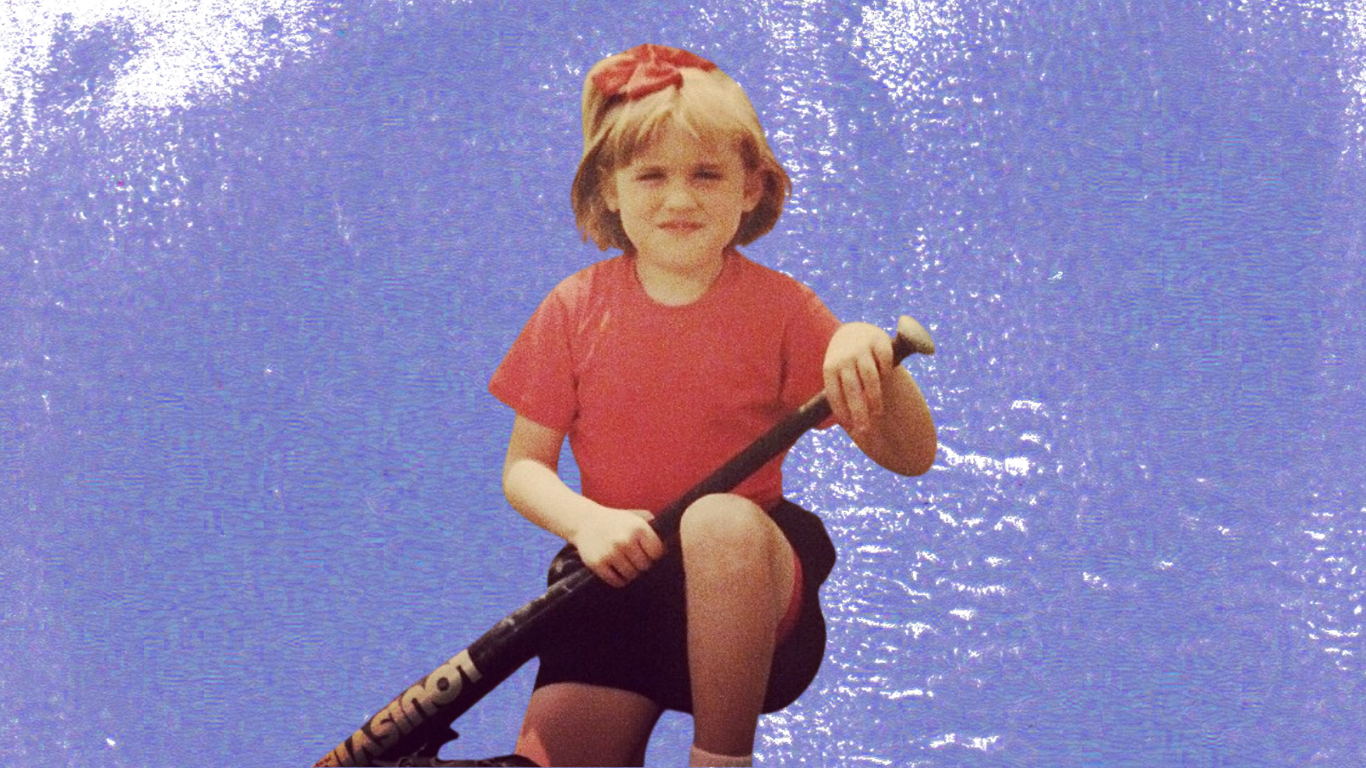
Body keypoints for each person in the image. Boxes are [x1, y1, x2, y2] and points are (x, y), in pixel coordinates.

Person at [488, 43, 936, 768]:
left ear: (751, 187)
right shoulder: (572, 309)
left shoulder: (784, 310)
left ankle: (722, 758)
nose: (679, 198)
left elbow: (913, 457)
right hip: (619, 586)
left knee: (718, 518)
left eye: (706, 173)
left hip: (752, 604)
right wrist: (587, 521)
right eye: (652, 175)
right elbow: (523, 471)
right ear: (609, 187)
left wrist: (868, 354)